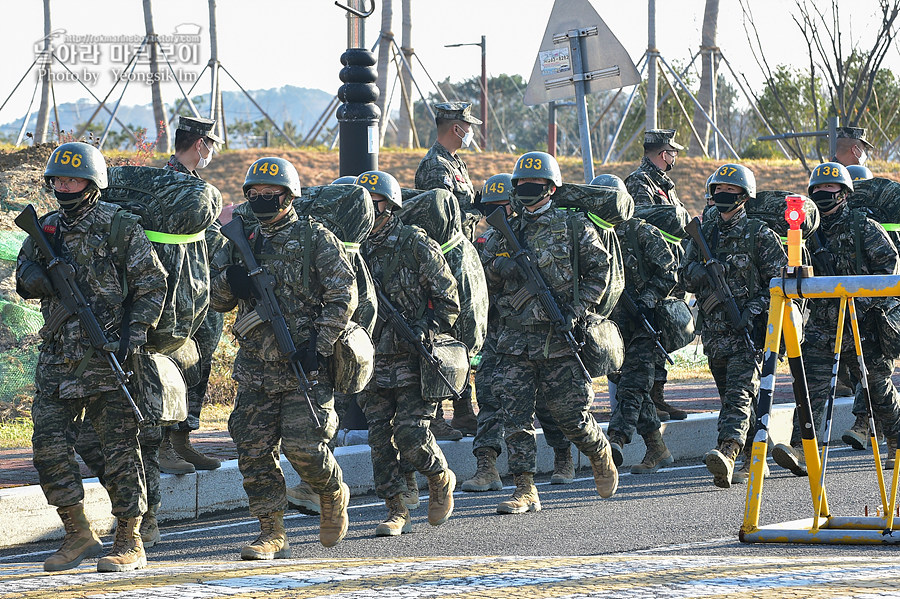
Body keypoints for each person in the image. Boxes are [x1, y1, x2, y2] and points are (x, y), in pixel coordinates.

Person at [17, 142, 167, 572]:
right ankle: (77, 532)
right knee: (48, 449)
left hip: (110, 358)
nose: (65, 186)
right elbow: (22, 276)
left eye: (74, 179)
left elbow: (152, 285)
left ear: (93, 182)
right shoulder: (44, 229)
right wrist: (39, 279)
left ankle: (129, 539)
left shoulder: (119, 227)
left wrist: (132, 336)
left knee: (120, 451)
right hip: (58, 359)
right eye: (59, 180)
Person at [210, 157, 355, 555]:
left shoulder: (316, 238)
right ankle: (271, 531)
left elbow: (342, 297)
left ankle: (330, 492)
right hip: (256, 366)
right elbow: (216, 298)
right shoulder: (239, 240)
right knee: (253, 452)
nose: (261, 201)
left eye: (270, 195)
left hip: (303, 363)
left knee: (305, 448)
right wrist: (230, 282)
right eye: (253, 195)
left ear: (289, 197)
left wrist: (319, 348)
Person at [481, 151, 619, 514]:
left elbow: (598, 273)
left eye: (535, 185)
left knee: (571, 416)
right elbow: (485, 273)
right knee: (516, 419)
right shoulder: (502, 230)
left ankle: (597, 451)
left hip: (560, 338)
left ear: (552, 189)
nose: (526, 191)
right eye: (521, 185)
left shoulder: (574, 227)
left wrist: (575, 311)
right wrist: (503, 267)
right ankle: (524, 489)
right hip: (514, 341)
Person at [772, 162, 900, 476]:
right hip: (821, 325)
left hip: (863, 324)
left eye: (829, 189)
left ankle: (896, 440)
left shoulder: (863, 226)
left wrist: (865, 300)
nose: (822, 194)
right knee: (811, 387)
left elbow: (890, 264)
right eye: (817, 190)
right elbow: (790, 268)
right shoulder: (803, 231)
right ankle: (802, 449)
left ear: (844, 193)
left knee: (877, 387)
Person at [356, 169, 460, 537]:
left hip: (413, 360)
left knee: (411, 435)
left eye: (373, 203)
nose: (366, 210)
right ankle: (396, 508)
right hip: (371, 361)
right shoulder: (354, 249)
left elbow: (449, 301)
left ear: (390, 206)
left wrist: (424, 328)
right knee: (379, 440)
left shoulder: (415, 243)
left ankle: (437, 476)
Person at [462, 174, 576, 493]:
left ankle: (563, 455)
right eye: (489, 209)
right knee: (488, 393)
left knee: (547, 401)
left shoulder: (534, 233)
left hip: (536, 331)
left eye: (501, 207)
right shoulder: (489, 242)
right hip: (498, 332)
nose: (496, 214)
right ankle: (487, 466)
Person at [680, 163, 787, 488]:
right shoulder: (704, 231)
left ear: (744, 196)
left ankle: (727, 451)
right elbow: (683, 275)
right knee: (732, 398)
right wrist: (704, 271)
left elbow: (779, 282)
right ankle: (755, 458)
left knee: (740, 393)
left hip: (749, 331)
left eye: (730, 192)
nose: (722, 196)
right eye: (718, 191)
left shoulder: (759, 234)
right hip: (714, 334)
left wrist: (753, 309)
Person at [599, 174, 678, 476]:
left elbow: (669, 273)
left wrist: (647, 298)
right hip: (610, 328)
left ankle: (614, 441)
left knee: (632, 385)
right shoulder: (590, 233)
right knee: (631, 386)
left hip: (645, 325)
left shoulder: (641, 233)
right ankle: (657, 447)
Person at [160, 115, 226, 474]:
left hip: (197, 291)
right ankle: (160, 442)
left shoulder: (192, 183)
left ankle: (182, 440)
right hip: (174, 293)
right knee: (172, 364)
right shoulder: (169, 183)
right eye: (211, 145)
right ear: (200, 144)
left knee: (197, 364)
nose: (211, 152)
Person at [414, 101, 483, 440]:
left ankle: (464, 409)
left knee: (464, 333)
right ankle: (437, 413)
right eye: (467, 126)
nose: (470, 132)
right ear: (455, 127)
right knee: (441, 334)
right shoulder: (434, 167)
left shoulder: (456, 163)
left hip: (460, 256)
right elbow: (437, 219)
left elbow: (461, 211)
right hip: (442, 260)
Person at [624, 129, 688, 422]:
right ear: (664, 154)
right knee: (648, 336)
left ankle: (657, 397)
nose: (674, 157)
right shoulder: (640, 182)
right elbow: (642, 220)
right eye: (672, 152)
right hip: (648, 268)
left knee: (662, 330)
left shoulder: (663, 184)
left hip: (667, 266)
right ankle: (649, 399)